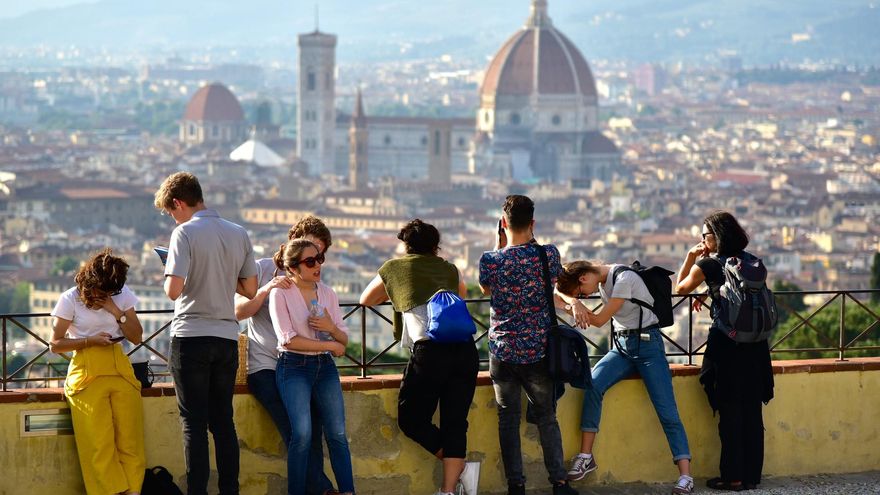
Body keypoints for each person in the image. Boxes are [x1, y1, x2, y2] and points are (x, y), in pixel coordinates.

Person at [359, 219, 480, 495]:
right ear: (436, 246)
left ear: (405, 245)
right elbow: (460, 295)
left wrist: (400, 294)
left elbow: (366, 300)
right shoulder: (449, 268)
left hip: (430, 351)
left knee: (411, 419)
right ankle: (449, 489)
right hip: (465, 350)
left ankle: (458, 467)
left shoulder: (394, 267)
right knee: (455, 421)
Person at [155, 172, 258, 495]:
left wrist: (168, 269)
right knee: (223, 422)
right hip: (226, 337)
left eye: (172, 213)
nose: (173, 219)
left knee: (193, 424)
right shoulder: (238, 233)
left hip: (191, 335)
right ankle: (230, 490)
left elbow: (174, 290)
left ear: (179, 203)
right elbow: (250, 289)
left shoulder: (183, 233)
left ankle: (197, 491)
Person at [555, 261, 694, 495]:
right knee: (593, 386)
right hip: (621, 347)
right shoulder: (601, 279)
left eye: (581, 292)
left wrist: (572, 306)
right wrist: (575, 302)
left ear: (583, 278)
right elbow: (557, 293)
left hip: (649, 347)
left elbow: (598, 321)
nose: (585, 296)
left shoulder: (624, 280)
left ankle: (686, 476)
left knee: (667, 412)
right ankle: (586, 456)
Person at [478, 195, 578, 495]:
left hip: (503, 351)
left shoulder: (490, 260)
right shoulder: (548, 254)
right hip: (538, 349)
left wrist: (499, 242)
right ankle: (559, 482)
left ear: (503, 223)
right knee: (547, 417)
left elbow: (485, 288)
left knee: (507, 419)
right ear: (533, 222)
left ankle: (516, 486)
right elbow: (555, 280)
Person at [234, 216, 337, 495]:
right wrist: (267, 290)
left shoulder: (313, 277)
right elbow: (239, 311)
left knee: (314, 432)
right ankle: (325, 490)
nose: (315, 260)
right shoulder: (263, 269)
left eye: (320, 255)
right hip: (265, 365)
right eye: (311, 252)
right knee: (297, 431)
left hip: (302, 365)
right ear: (293, 242)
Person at [675, 211, 774, 491]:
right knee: (752, 413)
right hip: (756, 347)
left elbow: (680, 288)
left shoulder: (708, 263)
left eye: (704, 235)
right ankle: (752, 476)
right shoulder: (751, 261)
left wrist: (690, 257)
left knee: (729, 411)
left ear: (715, 237)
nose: (701, 240)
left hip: (727, 345)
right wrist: (711, 292)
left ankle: (732, 477)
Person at [49, 248, 146, 495]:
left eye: (113, 290)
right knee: (97, 444)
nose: (109, 294)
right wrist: (89, 341)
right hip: (86, 369)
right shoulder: (70, 298)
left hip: (120, 368)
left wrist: (116, 310)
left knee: (130, 440)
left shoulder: (121, 296)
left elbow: (136, 337)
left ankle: (133, 491)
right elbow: (55, 344)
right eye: (105, 290)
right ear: (91, 281)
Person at [269, 238, 355, 495]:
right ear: (293, 268)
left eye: (319, 259)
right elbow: (287, 339)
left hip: (324, 368)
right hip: (294, 367)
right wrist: (330, 345)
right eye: (310, 261)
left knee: (338, 434)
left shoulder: (328, 293)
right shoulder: (280, 294)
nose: (317, 265)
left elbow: (344, 340)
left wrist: (330, 328)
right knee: (302, 435)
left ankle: (348, 491)